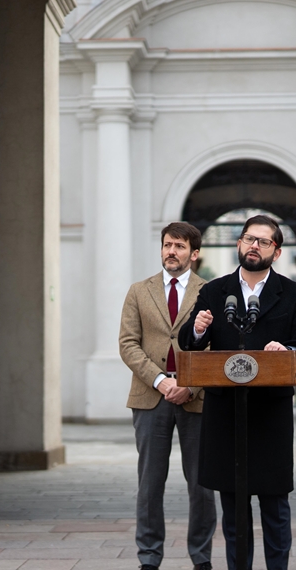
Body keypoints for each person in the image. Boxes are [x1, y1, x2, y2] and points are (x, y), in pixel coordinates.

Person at [178, 214, 296, 570]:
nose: (253, 246)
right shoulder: (213, 290)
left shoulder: (293, 294)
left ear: (276, 249)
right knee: (234, 508)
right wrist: (196, 330)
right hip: (226, 415)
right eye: (247, 239)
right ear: (239, 244)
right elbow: (188, 345)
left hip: (269, 415)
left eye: (262, 241)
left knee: (274, 506)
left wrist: (286, 351)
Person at [119, 222, 216, 570]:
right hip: (150, 396)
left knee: (202, 485)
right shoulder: (138, 291)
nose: (171, 251)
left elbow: (216, 347)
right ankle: (149, 557)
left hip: (196, 397)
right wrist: (161, 381)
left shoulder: (211, 292)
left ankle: (201, 556)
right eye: (167, 245)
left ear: (194, 252)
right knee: (149, 483)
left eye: (179, 246)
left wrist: (192, 385)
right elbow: (128, 344)